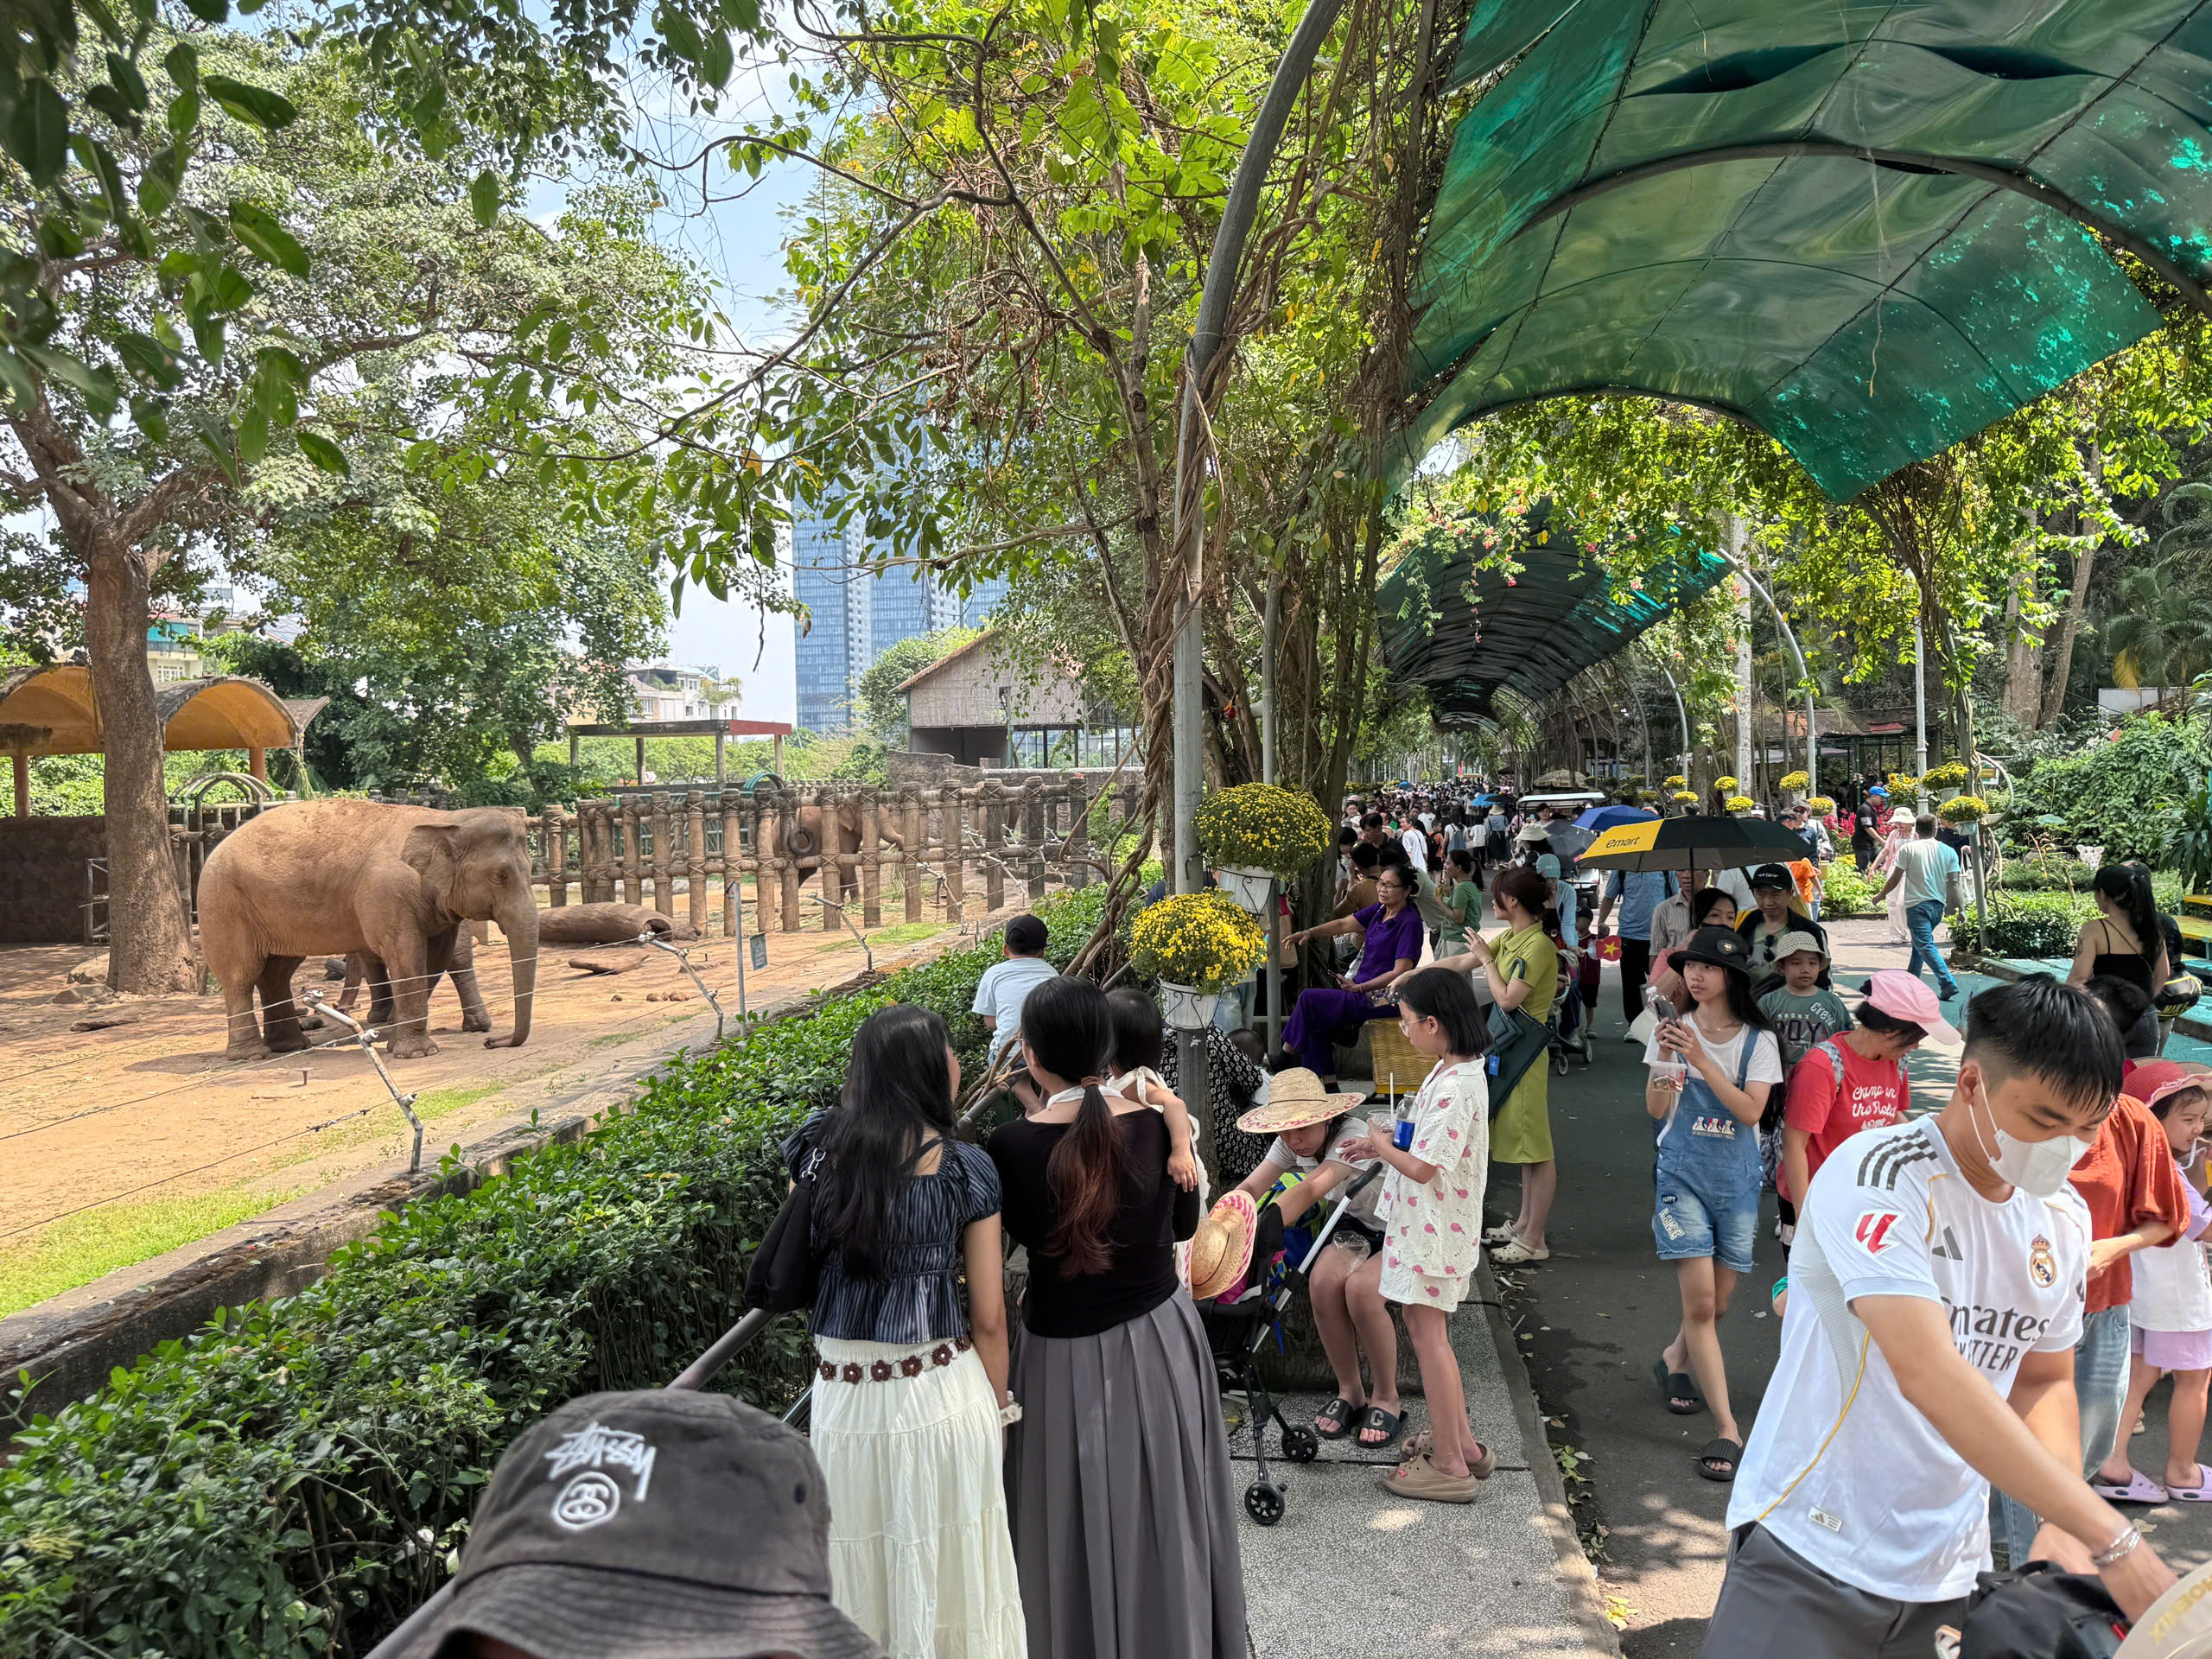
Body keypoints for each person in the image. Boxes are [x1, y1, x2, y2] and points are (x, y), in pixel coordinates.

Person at [1707, 978, 2180, 1658]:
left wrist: (2063, 1521)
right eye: (2045, 1121)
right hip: (1809, 1544)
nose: (2066, 1147)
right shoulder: (1878, 1173)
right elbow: (1928, 1372)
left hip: (1947, 1572)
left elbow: (2043, 1379)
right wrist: (2112, 1535)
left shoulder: (2062, 1219)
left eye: (2088, 1126)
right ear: (1970, 1084)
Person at [985, 977, 1243, 1659]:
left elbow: (1011, 1248)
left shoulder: (1007, 1147)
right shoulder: (1159, 1123)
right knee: (1168, 1507)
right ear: (1108, 1050)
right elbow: (1185, 1221)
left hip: (1059, 1356)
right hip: (1161, 1338)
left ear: (1031, 1055)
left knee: (1066, 1519)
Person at [784, 1006, 1023, 1658]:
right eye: (948, 1050)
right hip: (942, 1393)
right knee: (955, 1580)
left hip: (844, 1397)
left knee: (857, 1578)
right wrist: (1000, 1409)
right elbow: (990, 1318)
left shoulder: (815, 1151)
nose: (959, 1061)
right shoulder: (965, 1169)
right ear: (926, 1069)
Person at [1988, 1007, 2190, 1566]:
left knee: (2091, 1445)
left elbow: (2166, 1219)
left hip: (2103, 1309)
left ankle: (2014, 1542)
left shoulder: (2132, 1123)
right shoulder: (2013, 1119)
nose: (2075, 1132)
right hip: (2024, 1313)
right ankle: (2034, 1579)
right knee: (2033, 1454)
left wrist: (2111, 1248)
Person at [1643, 927, 1783, 1479]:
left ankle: (1674, 1358)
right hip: (1680, 1175)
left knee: (1719, 1306)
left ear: (1732, 975)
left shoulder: (1758, 1041)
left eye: (1708, 966)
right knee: (1702, 1305)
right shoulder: (1671, 1032)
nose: (1695, 975)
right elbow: (1656, 1110)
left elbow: (1751, 1112)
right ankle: (1727, 1428)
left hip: (1738, 1182)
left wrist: (1701, 1058)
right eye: (1689, 966)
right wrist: (1668, 1071)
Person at [1367, 967, 1495, 1503]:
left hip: (1434, 1230)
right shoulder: (1454, 1071)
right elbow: (1420, 1148)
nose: (1404, 1031)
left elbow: (1422, 1167)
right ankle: (1460, 1445)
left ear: (1434, 1023)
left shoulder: (1455, 1085)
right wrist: (1381, 1146)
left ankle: (1447, 1464)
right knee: (1431, 1336)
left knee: (1429, 1339)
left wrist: (1378, 1145)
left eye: (1407, 1021)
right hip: (1434, 1226)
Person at [1228, 1068, 1392, 1444]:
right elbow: (1254, 1184)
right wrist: (1223, 1220)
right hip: (1355, 1222)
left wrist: (1255, 1231)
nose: (1293, 1138)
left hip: (1401, 1225)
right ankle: (1350, 1391)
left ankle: (1387, 1396)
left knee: (1363, 1293)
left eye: (1302, 1127)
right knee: (1320, 1282)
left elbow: (1311, 1189)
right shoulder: (1290, 1140)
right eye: (1285, 1129)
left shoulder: (1350, 1134)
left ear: (1327, 1116)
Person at [2093, 1063, 2212, 1504]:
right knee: (2195, 1377)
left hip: (2143, 1292)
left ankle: (2113, 1462)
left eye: (2203, 1121)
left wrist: (2199, 1167)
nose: (2198, 1129)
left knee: (2139, 1376)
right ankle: (2182, 1471)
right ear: (2151, 1118)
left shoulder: (2137, 1160)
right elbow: (2199, 1225)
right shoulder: (2169, 1171)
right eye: (2188, 1120)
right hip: (2178, 1298)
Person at [1427, 865, 1557, 1267]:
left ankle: (1535, 1238)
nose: (1494, 899)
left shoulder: (1538, 947)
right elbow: (1463, 962)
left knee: (1537, 1150)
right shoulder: (1517, 937)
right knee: (1525, 1146)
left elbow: (1506, 999)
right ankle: (1522, 1225)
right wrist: (1416, 973)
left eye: (1498, 894)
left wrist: (1486, 958)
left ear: (1512, 901)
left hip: (1527, 1055)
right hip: (1514, 1051)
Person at [1777, 970, 1951, 1236]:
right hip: (1815, 1196)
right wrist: (1804, 1216)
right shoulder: (1822, 1067)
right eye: (1916, 1038)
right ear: (1891, 1031)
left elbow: (1891, 1115)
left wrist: (1933, 1150)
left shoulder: (1896, 1060)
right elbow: (1794, 1144)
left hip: (1863, 1193)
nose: (1916, 1047)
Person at [1282, 864, 1424, 1087]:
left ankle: (1286, 1056)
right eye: (1380, 883)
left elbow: (1400, 971)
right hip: (1360, 989)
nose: (1382, 889)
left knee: (1308, 998)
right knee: (1315, 1024)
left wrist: (1360, 987)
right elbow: (1343, 924)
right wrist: (1310, 932)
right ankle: (1328, 1085)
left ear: (1406, 891)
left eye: (1389, 885)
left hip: (1389, 996)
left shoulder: (1410, 922)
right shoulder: (1380, 910)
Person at [1102, 988, 1200, 1192]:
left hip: (1175, 1176)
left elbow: (1175, 1103)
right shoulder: (1120, 1079)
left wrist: (1181, 1150)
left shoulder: (1136, 1084)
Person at [2069, 863, 2169, 1057]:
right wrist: (2143, 1003)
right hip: (2145, 1019)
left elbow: (2077, 981)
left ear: (2105, 894)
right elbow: (2163, 974)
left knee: (2102, 1084)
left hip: (2106, 1018)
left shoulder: (2093, 930)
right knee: (2138, 1084)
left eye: (2096, 892)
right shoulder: (2152, 927)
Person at [1875, 814, 1963, 1001]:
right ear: (1936, 829)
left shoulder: (1908, 849)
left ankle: (1947, 982)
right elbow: (1954, 882)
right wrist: (1961, 908)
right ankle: (1911, 982)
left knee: (1924, 944)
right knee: (1919, 944)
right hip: (1937, 906)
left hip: (1917, 906)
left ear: (1917, 830)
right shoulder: (1948, 851)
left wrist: (1881, 895)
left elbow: (1895, 877)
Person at [972, 914, 1057, 1065]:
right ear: (1043, 952)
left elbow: (991, 1023)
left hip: (1007, 1053)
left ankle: (1019, 1087)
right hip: (1044, 1052)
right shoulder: (1051, 973)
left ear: (1005, 950)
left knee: (1010, 1075)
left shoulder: (993, 973)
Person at [1599, 867, 1679, 1027]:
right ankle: (1634, 1025)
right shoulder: (1622, 869)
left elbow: (1675, 898)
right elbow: (1609, 896)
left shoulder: (1665, 868)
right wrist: (1601, 921)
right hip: (1629, 935)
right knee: (1630, 985)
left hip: (1659, 936)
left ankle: (1662, 1022)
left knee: (1661, 985)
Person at [1733, 864, 1830, 990]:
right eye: (1761, 894)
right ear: (1753, 893)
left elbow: (1823, 981)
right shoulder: (1748, 924)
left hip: (1793, 1006)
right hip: (1749, 1004)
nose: (1768, 902)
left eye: (1775, 894)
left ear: (1790, 894)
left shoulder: (1811, 931)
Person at [1436, 847, 1484, 960]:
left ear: (1458, 868)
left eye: (1448, 863)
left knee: (1450, 976)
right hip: (1464, 940)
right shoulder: (1470, 886)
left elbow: (1458, 918)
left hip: (1456, 941)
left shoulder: (1461, 889)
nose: (1445, 866)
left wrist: (1439, 902)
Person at [1850, 786, 1885, 871]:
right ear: (1874, 796)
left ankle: (1875, 880)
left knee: (1882, 862)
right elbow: (1868, 827)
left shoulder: (1869, 808)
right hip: (1863, 845)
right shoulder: (1865, 809)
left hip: (1870, 844)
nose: (1882, 800)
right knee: (1861, 869)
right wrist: (1882, 841)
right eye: (1881, 797)